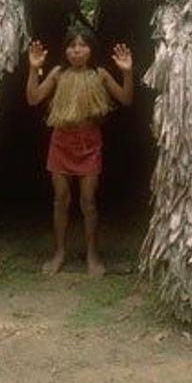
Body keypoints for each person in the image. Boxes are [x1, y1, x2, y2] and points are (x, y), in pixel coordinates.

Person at [26, 23, 133, 277]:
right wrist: (33, 68)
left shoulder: (100, 75)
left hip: (89, 144)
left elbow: (126, 99)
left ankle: (92, 255)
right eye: (72, 46)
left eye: (82, 45)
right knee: (61, 200)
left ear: (91, 49)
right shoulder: (58, 74)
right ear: (65, 50)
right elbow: (33, 98)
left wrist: (127, 73)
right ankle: (59, 253)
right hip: (61, 142)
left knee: (88, 201)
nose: (77, 50)